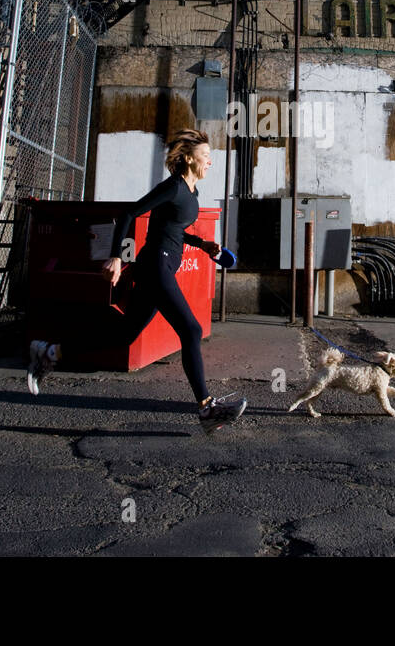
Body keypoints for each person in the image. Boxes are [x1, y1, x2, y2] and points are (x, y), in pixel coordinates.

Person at [27, 128, 247, 434]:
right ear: (187, 158)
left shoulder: (191, 192)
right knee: (192, 329)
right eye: (206, 155)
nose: (210, 161)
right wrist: (116, 256)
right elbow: (130, 212)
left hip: (162, 266)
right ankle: (206, 408)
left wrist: (202, 246)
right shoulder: (172, 188)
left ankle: (51, 352)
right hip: (156, 265)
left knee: (124, 334)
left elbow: (172, 229)